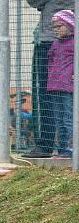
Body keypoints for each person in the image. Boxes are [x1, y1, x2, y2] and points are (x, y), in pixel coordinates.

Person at [26, 0, 75, 157]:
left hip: (50, 42)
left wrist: (47, 3)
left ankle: (45, 144)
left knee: (46, 95)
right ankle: (67, 146)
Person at [47, 9, 75, 157]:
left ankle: (72, 149)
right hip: (55, 86)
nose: (56, 30)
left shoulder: (75, 43)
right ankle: (63, 148)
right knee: (59, 120)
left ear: (69, 25)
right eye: (54, 27)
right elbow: (50, 60)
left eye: (59, 26)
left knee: (69, 118)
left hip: (69, 88)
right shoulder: (56, 44)